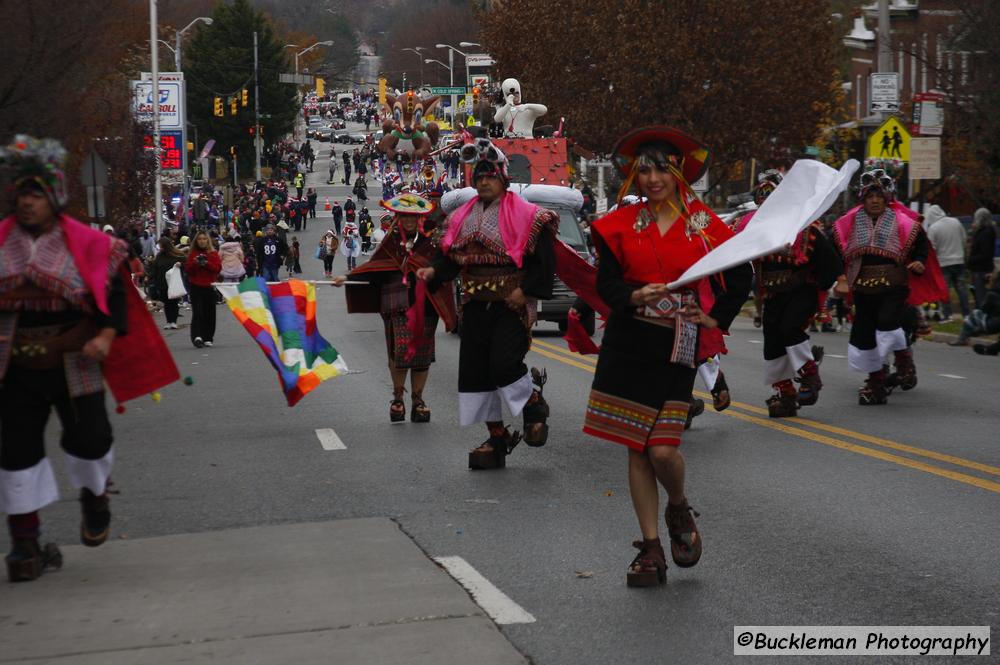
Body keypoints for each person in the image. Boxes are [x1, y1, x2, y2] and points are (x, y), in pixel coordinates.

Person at [0, 134, 177, 582]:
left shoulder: (85, 243)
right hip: (16, 365)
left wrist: (105, 334)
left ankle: (94, 496)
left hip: (74, 357)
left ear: (54, 197)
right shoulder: (3, 243)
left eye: (36, 195)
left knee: (92, 439)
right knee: (15, 452)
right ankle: (24, 542)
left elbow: (114, 293)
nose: (27, 204)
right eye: (22, 195)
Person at [579, 126, 751, 587]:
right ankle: (651, 548)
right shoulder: (619, 224)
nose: (653, 178)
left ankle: (678, 504)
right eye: (645, 170)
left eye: (662, 169)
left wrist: (716, 319)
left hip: (679, 346)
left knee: (663, 450)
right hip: (628, 345)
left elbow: (740, 278)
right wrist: (635, 296)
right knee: (637, 450)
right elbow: (607, 286)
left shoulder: (705, 224)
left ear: (678, 174)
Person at [416, 138, 557, 470]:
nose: (483, 182)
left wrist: (526, 292)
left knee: (504, 366)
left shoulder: (527, 215)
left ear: (503, 178)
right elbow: (450, 258)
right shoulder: (463, 217)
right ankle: (496, 438)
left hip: (511, 305)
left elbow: (544, 262)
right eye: (478, 178)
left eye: (489, 176)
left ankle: (533, 404)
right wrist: (432, 269)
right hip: (475, 306)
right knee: (475, 376)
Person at [335, 193, 457, 422]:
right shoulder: (390, 242)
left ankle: (418, 400)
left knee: (423, 354)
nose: (409, 221)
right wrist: (347, 276)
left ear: (419, 219)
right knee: (398, 352)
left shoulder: (430, 243)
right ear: (398, 218)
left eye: (413, 217)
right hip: (396, 304)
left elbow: (442, 269)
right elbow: (375, 267)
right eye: (404, 217)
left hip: (425, 306)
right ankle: (398, 397)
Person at [746, 171, 844, 417]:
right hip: (772, 295)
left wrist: (822, 284)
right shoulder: (753, 229)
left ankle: (810, 375)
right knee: (773, 344)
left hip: (801, 292)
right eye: (764, 199)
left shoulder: (806, 229)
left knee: (790, 328)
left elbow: (831, 262)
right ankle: (785, 393)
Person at [832, 172, 931, 405]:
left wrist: (919, 261)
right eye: (870, 196)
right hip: (863, 288)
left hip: (894, 285)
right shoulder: (849, 223)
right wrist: (840, 277)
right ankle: (875, 381)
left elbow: (921, 245)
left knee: (888, 322)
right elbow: (833, 251)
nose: (875, 200)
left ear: (887, 198)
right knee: (865, 334)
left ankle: (904, 359)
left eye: (879, 196)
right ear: (863, 199)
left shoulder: (904, 222)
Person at [924, 204, 969, 319]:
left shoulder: (933, 228)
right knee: (961, 288)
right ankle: (966, 314)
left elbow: (931, 249)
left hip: (943, 263)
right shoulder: (956, 221)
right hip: (959, 260)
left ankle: (948, 315)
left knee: (945, 290)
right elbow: (964, 239)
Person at [184, 231, 222, 348]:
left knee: (210, 313)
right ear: (196, 241)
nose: (202, 241)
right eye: (199, 239)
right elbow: (188, 270)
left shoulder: (213, 253)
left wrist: (206, 263)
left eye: (204, 239)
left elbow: (217, 269)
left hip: (209, 287)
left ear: (207, 240)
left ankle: (208, 337)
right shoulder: (193, 254)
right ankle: (197, 336)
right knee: (198, 312)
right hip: (196, 287)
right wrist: (196, 263)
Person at [151, 237, 187, 329]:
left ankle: (173, 321)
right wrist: (151, 277)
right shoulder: (159, 256)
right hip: (162, 282)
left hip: (173, 282)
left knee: (173, 302)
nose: (160, 248)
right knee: (166, 303)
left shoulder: (176, 255)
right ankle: (169, 321)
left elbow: (185, 262)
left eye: (161, 246)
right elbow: (155, 268)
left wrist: (181, 264)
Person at [967, 208, 996, 309]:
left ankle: (982, 319)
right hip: (980, 268)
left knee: (981, 297)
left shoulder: (986, 232)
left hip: (981, 269)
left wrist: (971, 259)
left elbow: (985, 253)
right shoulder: (985, 230)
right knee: (979, 295)